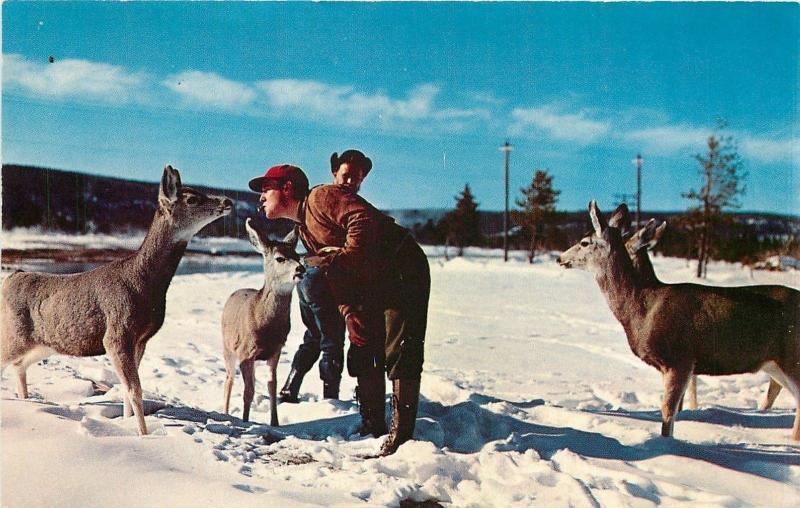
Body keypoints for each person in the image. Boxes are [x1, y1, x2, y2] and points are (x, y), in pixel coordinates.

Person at [248, 162, 430, 456]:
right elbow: (336, 273)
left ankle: (401, 434)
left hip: (402, 268)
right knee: (363, 345)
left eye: (266, 188)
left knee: (400, 346)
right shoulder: (304, 229)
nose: (261, 197)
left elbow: (362, 220)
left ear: (287, 188)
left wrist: (342, 257)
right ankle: (372, 425)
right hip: (369, 280)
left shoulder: (321, 197)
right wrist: (348, 311)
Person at [278, 150, 374, 403]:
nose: (351, 182)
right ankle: (330, 398)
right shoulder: (328, 200)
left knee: (314, 336)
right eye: (347, 175)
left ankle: (290, 386)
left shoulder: (320, 203)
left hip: (309, 278)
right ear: (335, 174)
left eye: (358, 179)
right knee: (332, 339)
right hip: (321, 279)